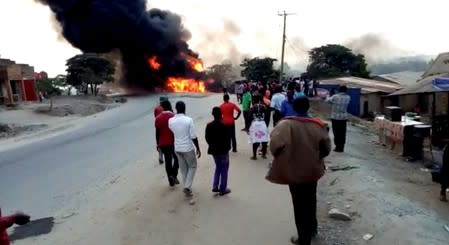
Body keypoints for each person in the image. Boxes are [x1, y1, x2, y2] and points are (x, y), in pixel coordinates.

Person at [267, 96, 331, 245]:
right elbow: (326, 148)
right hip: (312, 171)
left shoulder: (285, 124)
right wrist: (317, 158)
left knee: (299, 204)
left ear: (294, 107)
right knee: (311, 199)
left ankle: (304, 238)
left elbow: (275, 145)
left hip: (294, 170)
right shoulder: (318, 125)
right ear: (308, 107)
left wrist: (280, 157)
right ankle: (312, 229)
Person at [169, 101, 201, 197]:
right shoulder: (189, 120)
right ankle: (187, 187)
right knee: (193, 166)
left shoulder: (170, 121)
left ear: (176, 109)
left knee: (183, 169)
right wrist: (198, 148)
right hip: (187, 148)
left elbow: (172, 131)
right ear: (184, 108)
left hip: (177, 148)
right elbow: (193, 136)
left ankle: (188, 188)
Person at [205, 107, 232, 196]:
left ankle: (215, 186)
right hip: (223, 150)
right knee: (224, 169)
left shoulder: (209, 125)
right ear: (221, 114)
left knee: (218, 167)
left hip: (214, 150)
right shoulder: (224, 125)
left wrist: (212, 145)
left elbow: (207, 138)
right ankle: (222, 189)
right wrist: (228, 149)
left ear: (212, 114)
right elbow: (228, 139)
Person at [155, 100, 179, 187]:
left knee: (168, 161)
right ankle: (174, 174)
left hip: (163, 143)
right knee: (177, 158)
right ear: (169, 106)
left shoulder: (158, 118)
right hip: (173, 142)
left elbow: (157, 133)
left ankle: (170, 181)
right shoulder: (173, 116)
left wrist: (157, 144)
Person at [326, 85, 351, 152]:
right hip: (343, 117)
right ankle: (341, 147)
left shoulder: (335, 97)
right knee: (342, 133)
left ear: (339, 90)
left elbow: (327, 101)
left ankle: (337, 147)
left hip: (335, 117)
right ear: (346, 90)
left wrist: (329, 95)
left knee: (336, 132)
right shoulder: (348, 97)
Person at [248, 95, 269, 160]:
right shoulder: (264, 107)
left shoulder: (252, 107)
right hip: (263, 123)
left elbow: (249, 117)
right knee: (264, 140)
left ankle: (254, 156)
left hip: (255, 124)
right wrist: (266, 124)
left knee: (255, 140)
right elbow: (267, 116)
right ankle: (264, 155)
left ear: (254, 100)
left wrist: (248, 127)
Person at [154, 97, 168, 164]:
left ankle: (160, 156)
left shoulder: (156, 108)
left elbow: (155, 117)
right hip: (167, 126)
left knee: (159, 141)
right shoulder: (167, 107)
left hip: (158, 126)